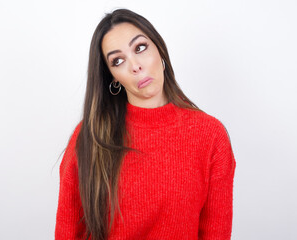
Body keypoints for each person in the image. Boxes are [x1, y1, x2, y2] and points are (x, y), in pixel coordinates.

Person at [55, 8, 236, 240]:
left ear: (159, 49)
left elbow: (216, 234)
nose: (135, 66)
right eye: (118, 60)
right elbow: (67, 233)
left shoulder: (210, 135)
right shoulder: (90, 136)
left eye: (140, 48)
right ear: (113, 77)